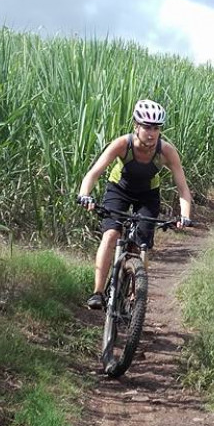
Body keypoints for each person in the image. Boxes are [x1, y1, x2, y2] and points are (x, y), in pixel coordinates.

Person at [76, 99, 194, 310]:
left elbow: (183, 188)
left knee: (142, 245)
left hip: (148, 194)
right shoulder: (123, 144)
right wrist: (85, 194)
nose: (151, 132)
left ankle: (135, 299)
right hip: (118, 189)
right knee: (111, 234)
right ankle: (98, 292)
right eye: (146, 127)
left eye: (156, 128)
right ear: (136, 126)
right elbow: (94, 173)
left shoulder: (166, 151)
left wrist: (185, 215)